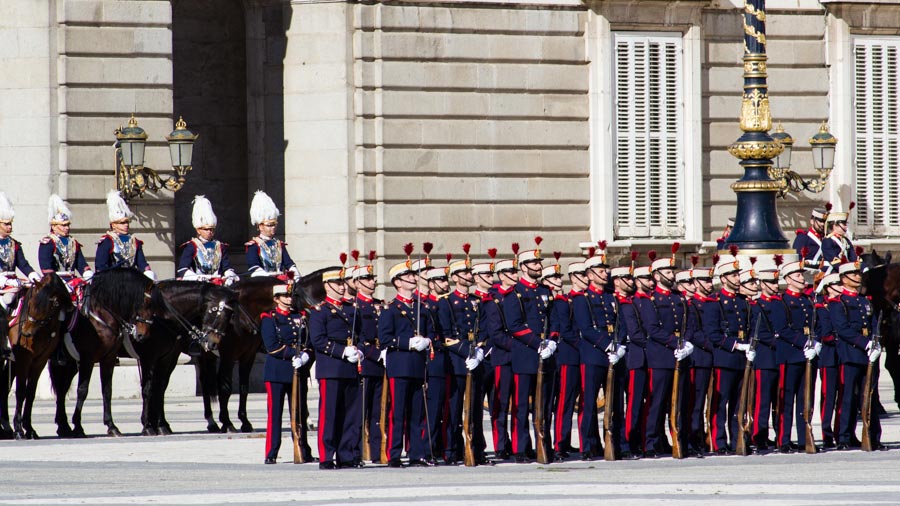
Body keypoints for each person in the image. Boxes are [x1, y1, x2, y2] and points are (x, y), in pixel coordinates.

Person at [501, 238, 556, 463]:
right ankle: (521, 448)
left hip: (547, 354)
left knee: (545, 404)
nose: (538, 267)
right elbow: (514, 326)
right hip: (525, 355)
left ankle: (544, 444)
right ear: (523, 267)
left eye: (539, 263)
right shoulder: (514, 294)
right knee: (522, 405)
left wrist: (551, 340)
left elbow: (553, 320)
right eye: (533, 264)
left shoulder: (545, 290)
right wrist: (537, 343)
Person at [379, 254, 436, 467]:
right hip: (400, 365)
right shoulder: (390, 309)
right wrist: (409, 343)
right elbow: (385, 339)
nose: (413, 278)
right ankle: (393, 454)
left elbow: (432, 333)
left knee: (417, 412)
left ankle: (416, 453)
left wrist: (427, 340)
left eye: (413, 275)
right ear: (398, 282)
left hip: (418, 366)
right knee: (398, 412)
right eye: (408, 275)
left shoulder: (422, 307)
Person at [309, 264, 363, 469]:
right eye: (337, 283)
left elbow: (360, 335)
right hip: (332, 368)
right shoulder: (319, 311)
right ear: (326, 286)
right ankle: (326, 456)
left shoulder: (351, 309)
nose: (341, 287)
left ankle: (346, 454)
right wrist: (342, 352)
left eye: (342, 283)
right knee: (329, 414)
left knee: (350, 414)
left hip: (350, 367)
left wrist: (360, 351)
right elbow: (318, 340)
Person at [828, 260, 885, 451]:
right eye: (854, 274)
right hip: (850, 354)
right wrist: (865, 343)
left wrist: (876, 343)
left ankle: (873, 436)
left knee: (868, 395)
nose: (858, 277)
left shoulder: (864, 300)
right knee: (848, 398)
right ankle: (844, 436)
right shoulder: (838, 302)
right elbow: (842, 329)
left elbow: (873, 324)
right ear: (844, 278)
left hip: (868, 355)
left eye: (859, 274)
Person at [641, 248, 691, 457]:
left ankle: (678, 440)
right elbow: (652, 329)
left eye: (672, 272)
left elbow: (689, 323)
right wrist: (675, 343)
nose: (672, 275)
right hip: (660, 357)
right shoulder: (650, 300)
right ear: (657, 276)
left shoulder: (679, 298)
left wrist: (685, 342)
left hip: (680, 356)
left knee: (678, 402)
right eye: (668, 272)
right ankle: (651, 443)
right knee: (657, 403)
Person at [439, 249, 488, 465]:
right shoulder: (447, 302)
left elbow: (485, 329)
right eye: (465, 273)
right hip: (457, 361)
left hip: (476, 359)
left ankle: (477, 448)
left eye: (470, 273)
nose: (469, 276)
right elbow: (446, 334)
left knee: (476, 408)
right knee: (454, 408)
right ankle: (451, 449)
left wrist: (478, 351)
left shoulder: (477, 301)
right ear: (456, 277)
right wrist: (466, 351)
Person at [571, 250, 618, 460]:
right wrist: (608, 345)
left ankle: (611, 442)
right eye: (601, 271)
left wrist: (619, 344)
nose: (605, 274)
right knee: (589, 403)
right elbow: (586, 329)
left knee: (613, 403)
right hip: (593, 355)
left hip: (613, 354)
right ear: (590, 275)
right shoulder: (582, 299)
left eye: (606, 270)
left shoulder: (610, 296)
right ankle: (588, 445)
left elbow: (619, 324)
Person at [703, 253, 750, 455]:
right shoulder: (714, 303)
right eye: (734, 275)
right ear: (723, 279)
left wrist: (748, 346)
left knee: (739, 404)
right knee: (720, 403)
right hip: (725, 357)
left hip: (742, 359)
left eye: (738, 275)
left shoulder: (743, 302)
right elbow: (712, 334)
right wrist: (735, 345)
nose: (738, 279)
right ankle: (718, 441)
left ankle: (737, 438)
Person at [261, 283, 313, 464]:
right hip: (276, 371)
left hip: (298, 371)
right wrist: (295, 354)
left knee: (299, 413)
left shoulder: (301, 316)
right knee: (275, 414)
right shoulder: (269, 318)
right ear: (276, 299)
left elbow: (308, 341)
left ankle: (303, 449)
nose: (289, 299)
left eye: (291, 295)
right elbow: (272, 346)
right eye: (285, 296)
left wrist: (306, 354)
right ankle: (272, 452)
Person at [0, 192, 41, 360]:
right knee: (7, 301)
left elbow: (22, 264)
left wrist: (32, 275)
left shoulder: (14, 244)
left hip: (12, 281)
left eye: (11, 224)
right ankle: (2, 341)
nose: (10, 227)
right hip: (1, 282)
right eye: (6, 224)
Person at [354, 251, 385, 463]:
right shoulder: (355, 307)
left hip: (381, 365)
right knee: (360, 413)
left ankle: (375, 451)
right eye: (366, 278)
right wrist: (376, 354)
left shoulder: (380, 305)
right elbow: (357, 338)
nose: (372, 282)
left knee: (377, 414)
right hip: (365, 363)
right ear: (356, 283)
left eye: (372, 278)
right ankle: (357, 450)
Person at [554, 260, 585, 459]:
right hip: (570, 356)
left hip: (585, 356)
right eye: (582, 276)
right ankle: (560, 442)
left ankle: (581, 442)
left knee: (583, 402)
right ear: (573, 278)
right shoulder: (564, 302)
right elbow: (566, 330)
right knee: (565, 402)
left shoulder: (588, 300)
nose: (586, 279)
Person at [488, 252, 518, 460]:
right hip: (502, 355)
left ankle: (516, 444)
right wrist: (516, 347)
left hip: (520, 356)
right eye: (511, 271)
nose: (515, 274)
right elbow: (495, 333)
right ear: (502, 275)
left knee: (519, 403)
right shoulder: (494, 298)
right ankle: (500, 443)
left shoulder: (519, 295)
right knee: (500, 403)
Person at [95, 190, 155, 280]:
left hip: (133, 279)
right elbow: (101, 266)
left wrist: (148, 273)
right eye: (122, 223)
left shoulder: (135, 241)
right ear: (113, 225)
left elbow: (142, 263)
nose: (126, 225)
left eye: (127, 222)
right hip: (114, 281)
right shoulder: (107, 241)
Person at [177, 195, 237, 285]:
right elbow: (183, 269)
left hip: (218, 284)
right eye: (206, 229)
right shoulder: (191, 246)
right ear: (198, 230)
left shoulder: (220, 246)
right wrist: (197, 278)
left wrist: (229, 275)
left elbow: (226, 267)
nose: (210, 232)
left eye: (212, 229)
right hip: (198, 286)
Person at [38, 194, 93, 284]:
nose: (67, 228)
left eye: (68, 225)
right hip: (55, 282)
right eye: (63, 225)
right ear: (54, 226)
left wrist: (87, 272)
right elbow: (46, 268)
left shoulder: (73, 242)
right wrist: (59, 282)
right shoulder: (48, 243)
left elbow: (81, 263)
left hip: (73, 280)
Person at [246, 190, 300, 281]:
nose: (273, 228)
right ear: (260, 226)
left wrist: (294, 272)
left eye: (274, 225)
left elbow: (288, 263)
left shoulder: (279, 244)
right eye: (269, 225)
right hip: (263, 282)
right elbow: (253, 266)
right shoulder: (253, 245)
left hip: (281, 280)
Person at [816, 273, 841, 448]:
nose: (841, 286)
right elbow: (825, 333)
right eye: (837, 284)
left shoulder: (843, 304)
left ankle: (842, 432)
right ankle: (826, 432)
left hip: (843, 355)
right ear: (829, 287)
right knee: (829, 396)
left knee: (844, 397)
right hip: (829, 356)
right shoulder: (822, 307)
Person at [821, 204, 862, 274]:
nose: (846, 227)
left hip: (846, 270)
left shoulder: (846, 240)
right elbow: (834, 261)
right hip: (832, 272)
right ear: (834, 226)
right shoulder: (828, 241)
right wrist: (848, 271)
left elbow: (853, 257)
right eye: (844, 224)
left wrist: (863, 268)